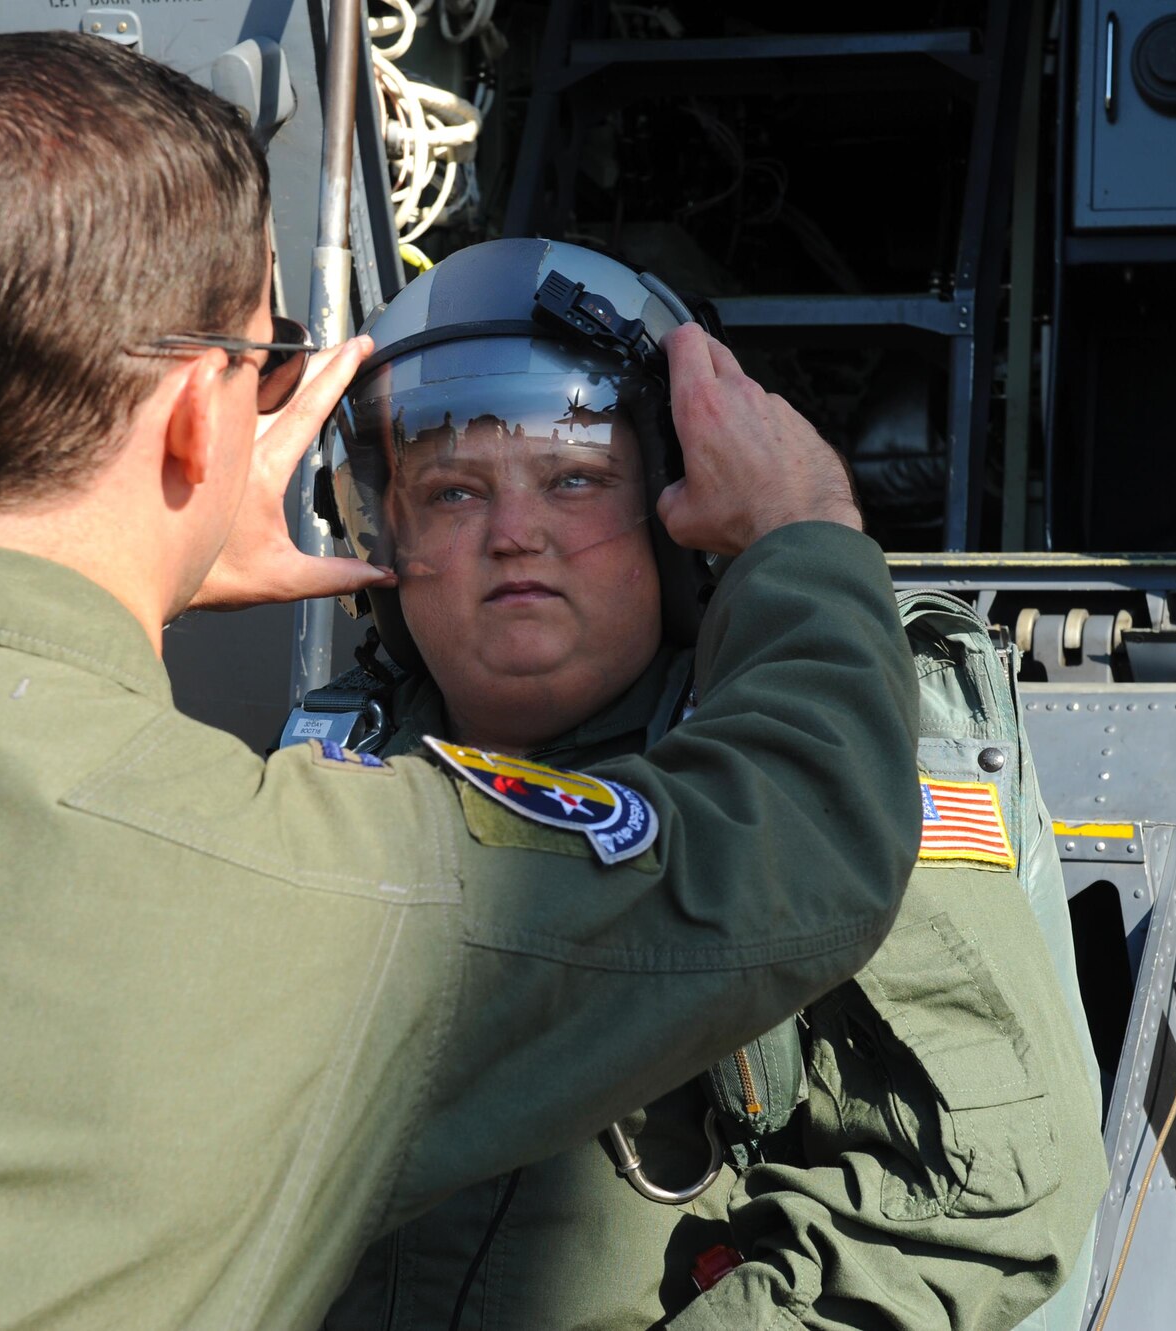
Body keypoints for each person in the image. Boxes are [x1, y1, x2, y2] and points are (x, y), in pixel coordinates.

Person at [0, 33, 926, 1331]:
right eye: (264, 358)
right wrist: (803, 537)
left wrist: (144, 542)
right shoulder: (336, 898)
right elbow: (803, 836)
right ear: (207, 418)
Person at [314, 239, 1107, 1331]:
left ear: (671, 515)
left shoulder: (804, 770)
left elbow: (973, 1196)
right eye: (451, 491)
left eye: (575, 479)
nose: (513, 533)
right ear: (385, 536)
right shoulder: (322, 773)